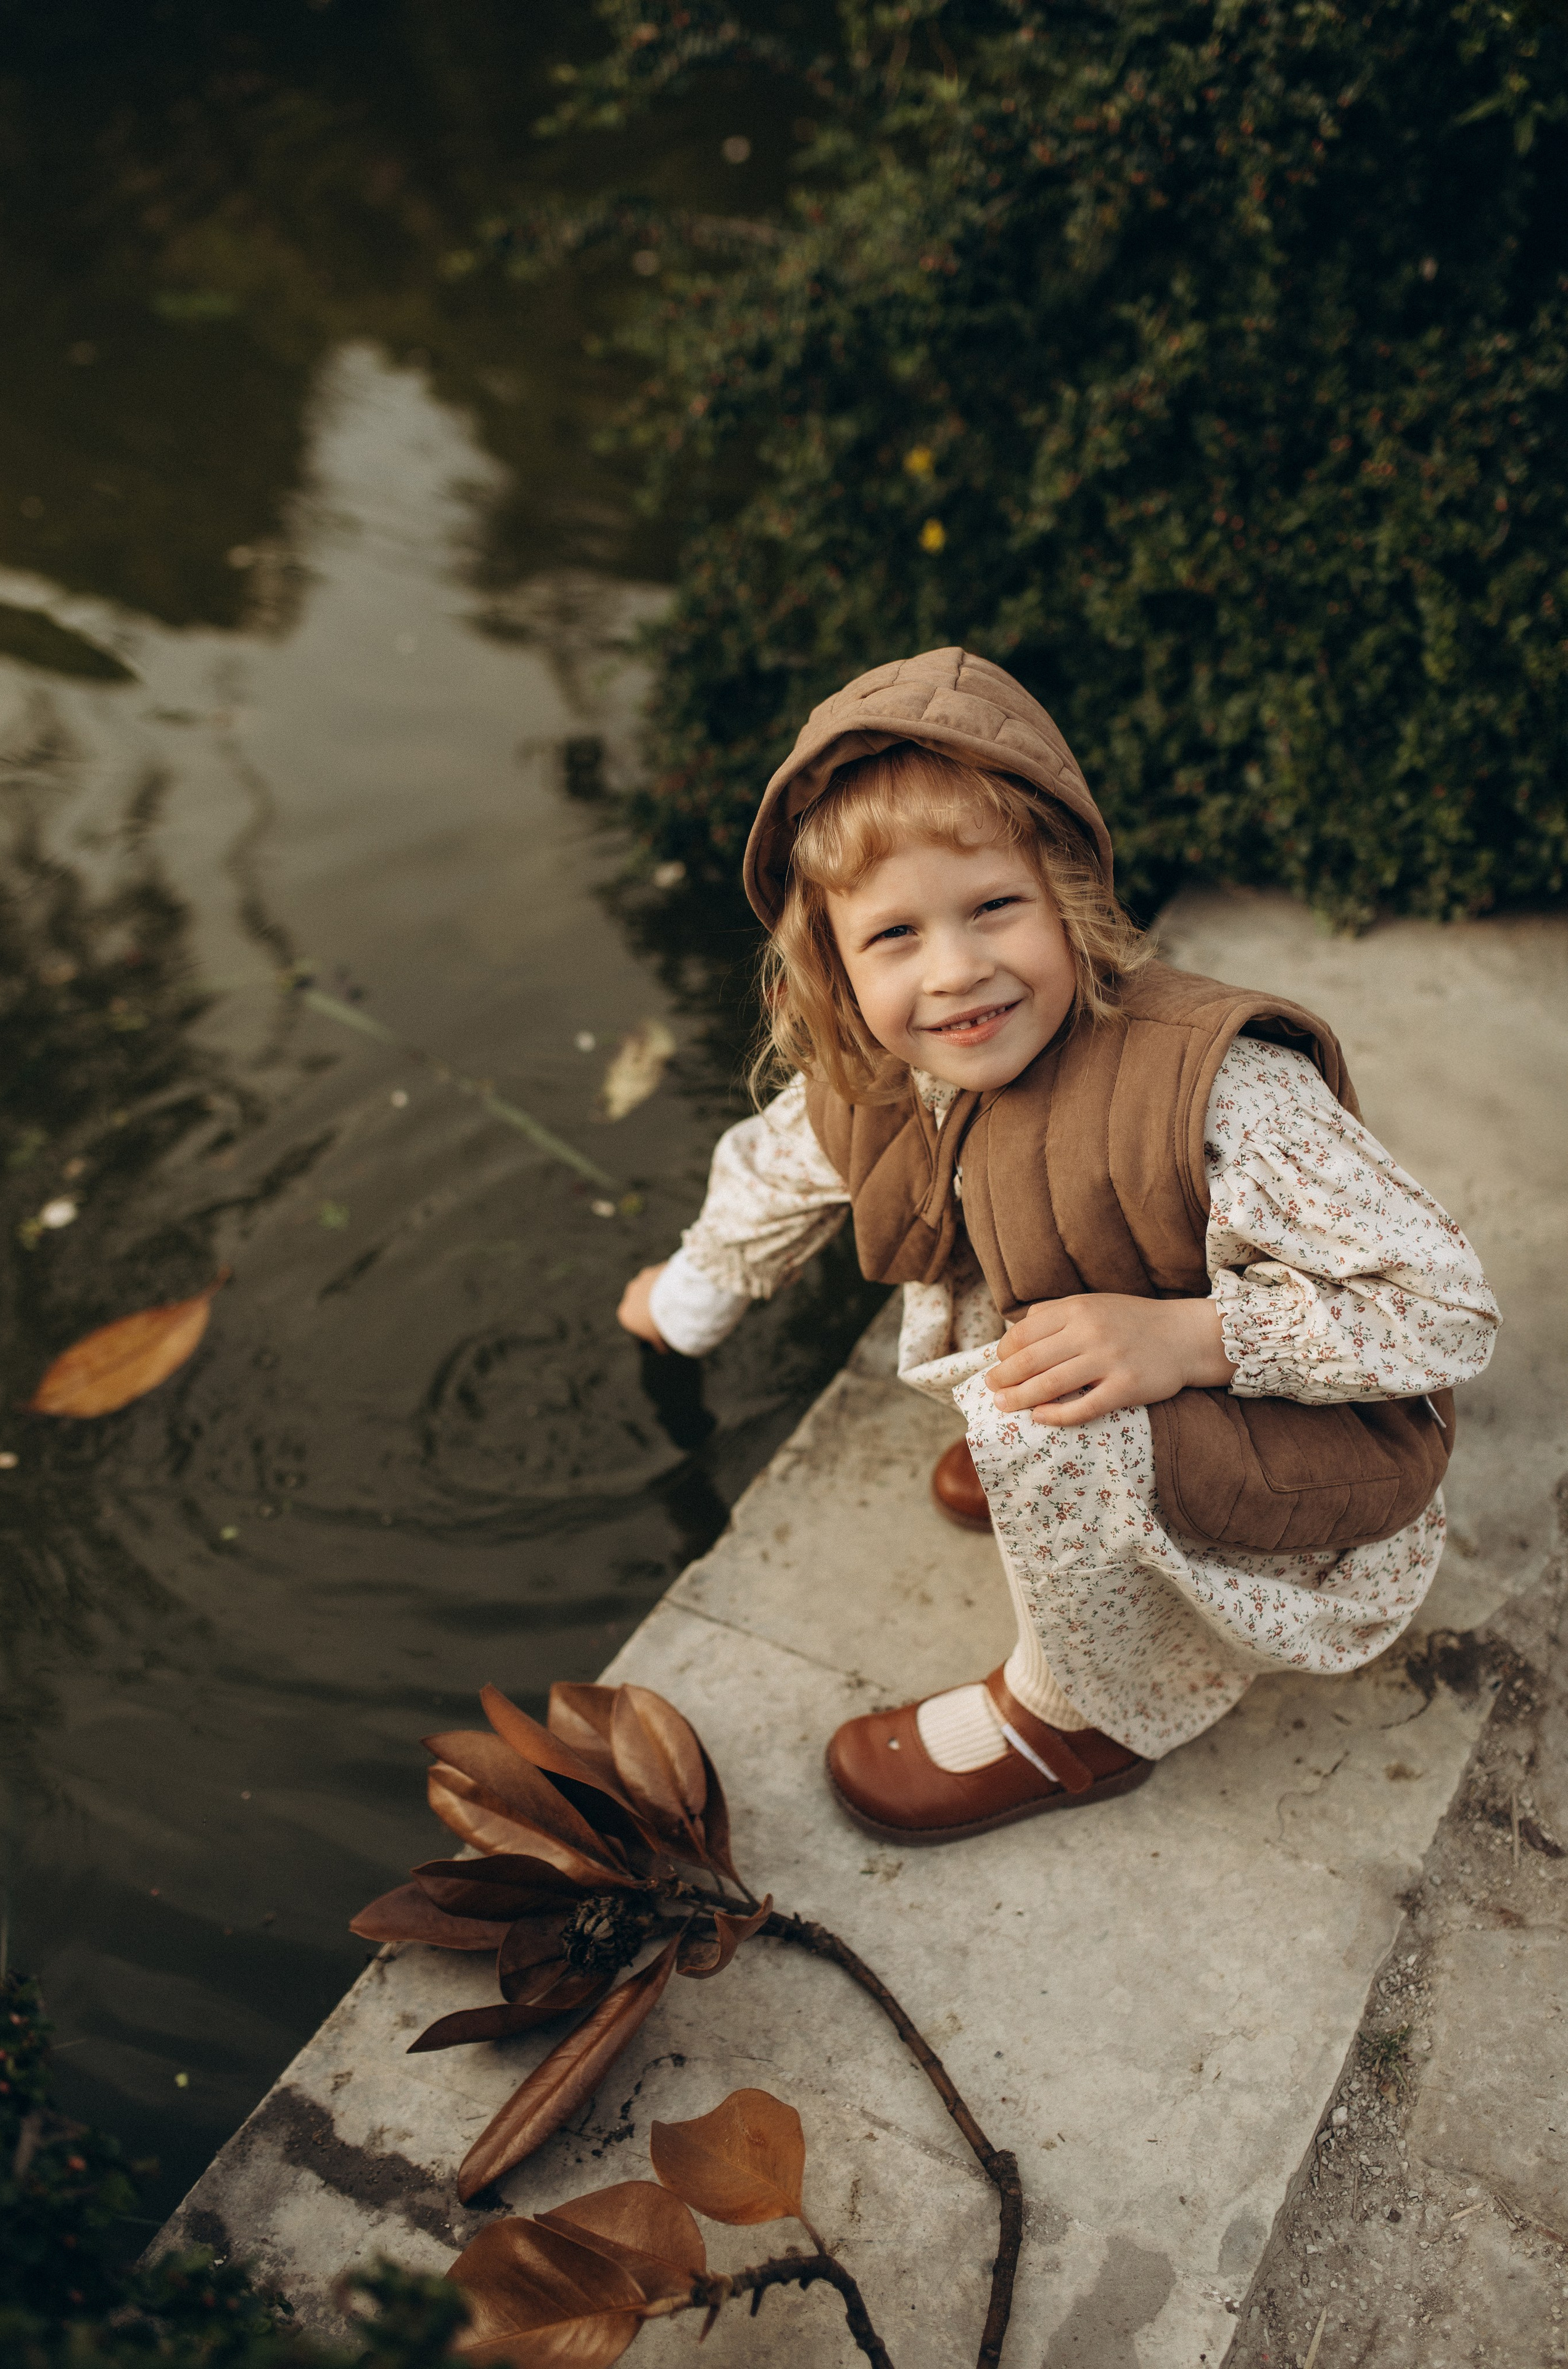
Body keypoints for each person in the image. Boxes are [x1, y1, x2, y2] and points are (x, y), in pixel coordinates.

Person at [617, 648, 1499, 1846]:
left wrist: (1188, 1337)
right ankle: (1093, 1489)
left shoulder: (1215, 1086)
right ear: (828, 959)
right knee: (1029, 1382)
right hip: (1140, 1374)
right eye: (892, 936)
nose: (955, 970)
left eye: (992, 907)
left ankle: (1076, 1716)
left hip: (1311, 1441)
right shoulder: (883, 1068)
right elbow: (778, 1172)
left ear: (1067, 893)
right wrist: (687, 1302)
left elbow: (1442, 1310)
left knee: (1036, 1417)